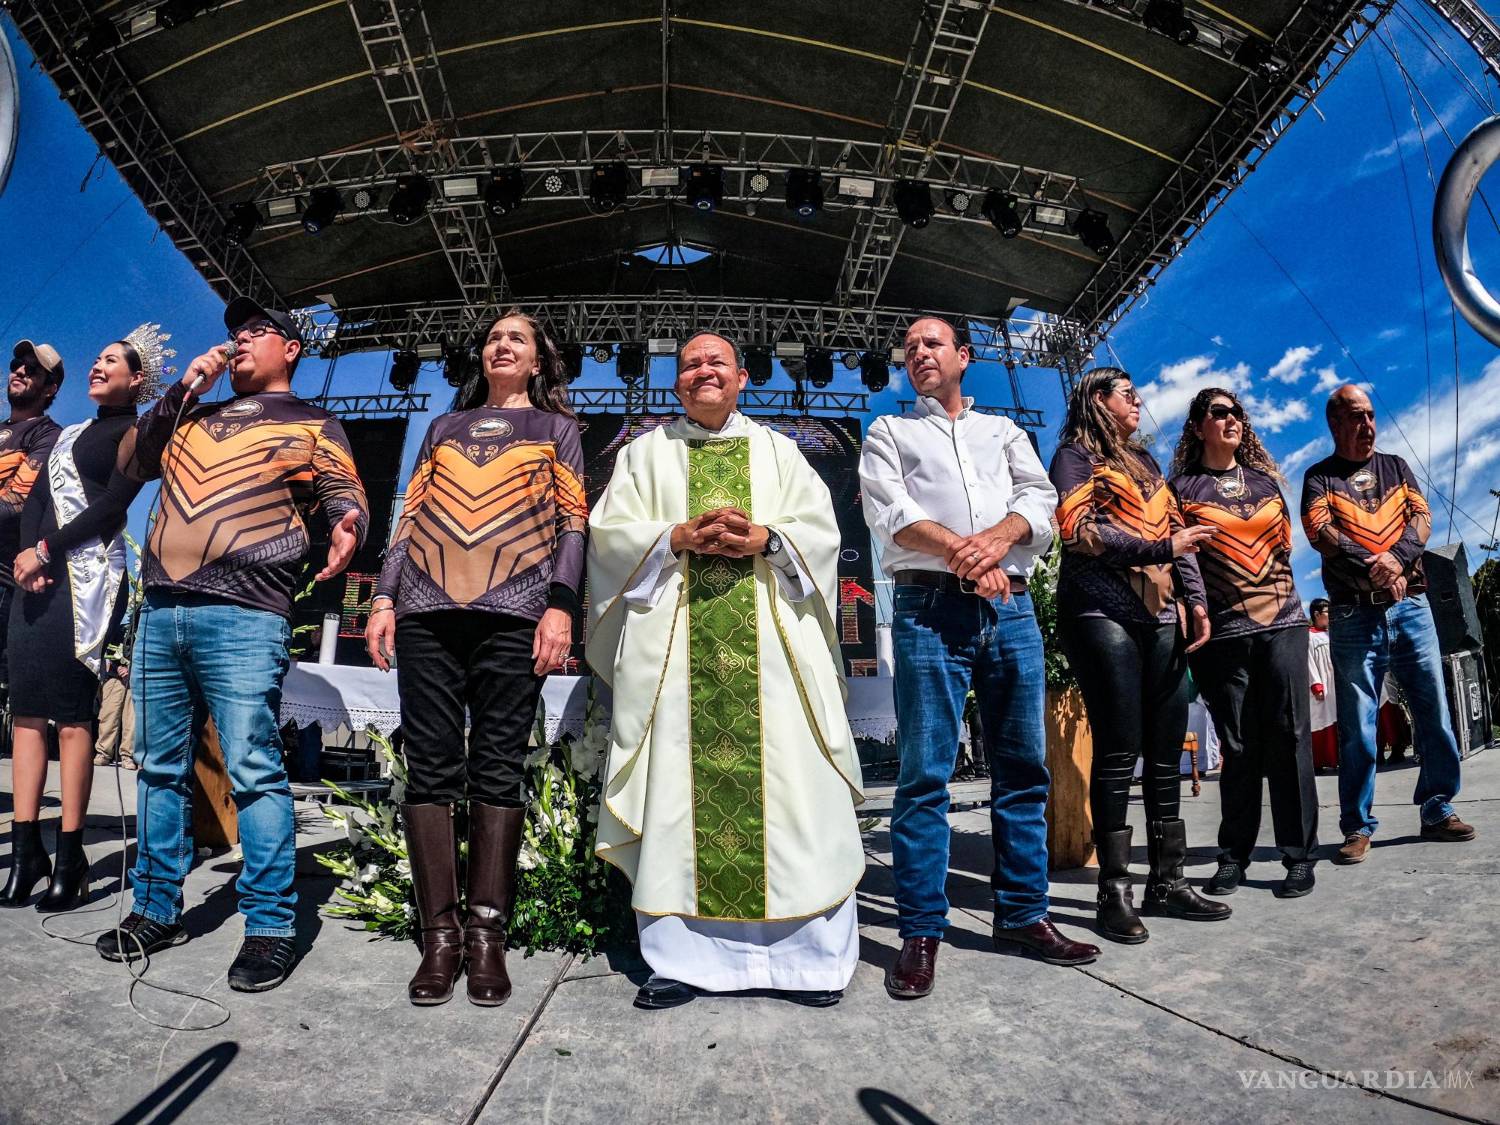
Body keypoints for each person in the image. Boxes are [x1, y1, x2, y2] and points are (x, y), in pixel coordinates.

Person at [93, 297, 368, 993]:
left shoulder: (313, 420)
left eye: (256, 332)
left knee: (253, 767)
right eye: (234, 333)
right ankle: (157, 907)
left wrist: (348, 522)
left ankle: (271, 924)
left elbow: (344, 489)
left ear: (292, 349)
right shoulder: (194, 413)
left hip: (246, 615)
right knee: (157, 766)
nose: (240, 340)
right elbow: (133, 463)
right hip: (161, 610)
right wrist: (186, 386)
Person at [587, 332, 864, 1010]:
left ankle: (810, 963)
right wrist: (673, 537)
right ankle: (681, 960)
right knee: (678, 799)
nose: (702, 371)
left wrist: (769, 538)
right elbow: (608, 534)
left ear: (742, 377)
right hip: (677, 659)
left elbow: (823, 534)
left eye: (716, 362)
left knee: (795, 796)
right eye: (689, 364)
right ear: (676, 383)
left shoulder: (781, 452)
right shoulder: (645, 454)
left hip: (773, 656)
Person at [860, 315, 1098, 1001]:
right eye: (909, 350)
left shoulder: (1004, 432)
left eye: (931, 344)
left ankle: (1023, 915)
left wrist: (994, 542)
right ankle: (921, 932)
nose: (918, 355)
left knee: (1023, 768)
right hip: (929, 610)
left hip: (1012, 609)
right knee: (924, 775)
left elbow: (1041, 503)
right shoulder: (889, 432)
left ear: (964, 356)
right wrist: (971, 559)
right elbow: (892, 514)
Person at [365, 310, 586, 1008]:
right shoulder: (442, 428)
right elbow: (408, 514)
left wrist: (561, 605)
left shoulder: (560, 432)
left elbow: (573, 522)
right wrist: (382, 598)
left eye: (517, 337)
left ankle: (486, 935)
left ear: (538, 361)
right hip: (427, 610)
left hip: (516, 612)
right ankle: (441, 937)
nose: (502, 344)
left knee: (496, 764)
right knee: (430, 764)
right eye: (494, 337)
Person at [1048, 367, 1230, 943]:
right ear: (1098, 399)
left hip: (1160, 617)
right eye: (1128, 394)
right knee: (1120, 747)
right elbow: (1078, 530)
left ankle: (1168, 882)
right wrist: (1160, 547)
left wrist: (1197, 601)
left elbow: (1183, 537)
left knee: (1165, 746)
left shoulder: (1148, 466)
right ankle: (1114, 892)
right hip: (1099, 613)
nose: (1139, 401)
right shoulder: (1074, 457)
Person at [1, 327, 166, 911]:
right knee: (26, 711)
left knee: (71, 716)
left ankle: (69, 854)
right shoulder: (69, 434)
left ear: (136, 379)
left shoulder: (135, 432)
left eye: (112, 361)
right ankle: (26, 852)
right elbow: (38, 501)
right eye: (97, 357)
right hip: (36, 579)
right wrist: (27, 556)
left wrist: (45, 551)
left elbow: (112, 506)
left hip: (87, 578)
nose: (99, 366)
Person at [1301, 384, 1474, 864]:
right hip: (1354, 614)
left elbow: (1422, 518)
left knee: (1434, 709)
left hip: (1412, 607)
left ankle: (1438, 807)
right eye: (1356, 417)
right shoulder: (1319, 477)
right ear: (1335, 423)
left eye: (1372, 415)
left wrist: (1396, 561)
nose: (1368, 425)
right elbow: (1320, 531)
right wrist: (1376, 565)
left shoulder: (1396, 466)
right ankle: (1357, 825)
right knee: (1358, 724)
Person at [1168, 388, 1318, 900]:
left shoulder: (1266, 483)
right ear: (1197, 426)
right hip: (1222, 634)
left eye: (1236, 413)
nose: (1231, 419)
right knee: (1237, 746)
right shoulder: (1181, 489)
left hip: (1283, 622)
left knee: (1289, 734)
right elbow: (1181, 562)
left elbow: (1283, 548)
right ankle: (1234, 856)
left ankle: (1298, 857)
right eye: (1219, 412)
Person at [0, 341, 64, 690]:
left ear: (50, 387)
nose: (20, 370)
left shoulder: (48, 435)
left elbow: (16, 503)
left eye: (32, 368)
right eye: (16, 363)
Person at [1307, 598, 1338, 771]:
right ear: (1317, 614)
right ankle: (1318, 762)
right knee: (1320, 722)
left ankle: (1335, 759)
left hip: (1334, 684)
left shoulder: (1330, 633)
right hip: (1321, 687)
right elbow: (1309, 662)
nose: (1330, 616)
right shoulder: (1308, 636)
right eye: (1327, 612)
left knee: (1336, 720)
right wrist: (1316, 685)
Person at [94, 658, 137, 771]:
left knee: (131, 719)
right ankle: (103, 752)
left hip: (135, 676)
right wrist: (117, 667)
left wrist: (131, 669)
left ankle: (127, 755)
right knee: (109, 715)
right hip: (113, 675)